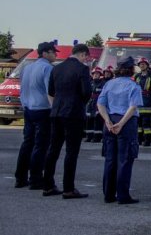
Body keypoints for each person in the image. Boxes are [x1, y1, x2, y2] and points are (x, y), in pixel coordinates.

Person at [42, 43, 92, 199]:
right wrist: (80, 103)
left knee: (53, 149)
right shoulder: (82, 69)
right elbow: (86, 92)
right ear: (83, 54)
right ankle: (68, 188)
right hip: (73, 113)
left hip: (56, 111)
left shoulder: (56, 68)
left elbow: (51, 91)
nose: (86, 60)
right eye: (86, 57)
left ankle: (48, 185)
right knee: (71, 151)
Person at [96, 57, 142, 204]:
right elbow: (133, 107)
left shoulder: (109, 84)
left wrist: (108, 121)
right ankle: (122, 195)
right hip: (126, 123)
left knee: (110, 159)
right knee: (125, 159)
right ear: (131, 70)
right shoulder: (133, 86)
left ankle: (108, 194)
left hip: (110, 121)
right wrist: (121, 123)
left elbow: (100, 104)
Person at [15, 42, 56, 190]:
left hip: (28, 109)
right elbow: (50, 91)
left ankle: (20, 178)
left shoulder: (27, 68)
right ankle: (35, 178)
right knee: (41, 145)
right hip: (42, 110)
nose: (55, 55)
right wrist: (55, 109)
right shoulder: (48, 68)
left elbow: (22, 89)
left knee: (27, 143)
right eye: (53, 52)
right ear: (45, 53)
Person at [134, 57, 151, 146]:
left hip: (147, 102)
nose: (142, 65)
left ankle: (147, 140)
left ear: (147, 65)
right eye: (140, 64)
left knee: (146, 124)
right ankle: (138, 139)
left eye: (143, 64)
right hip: (138, 102)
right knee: (138, 124)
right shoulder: (136, 76)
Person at [85, 67, 106, 143]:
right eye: (94, 74)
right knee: (89, 120)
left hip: (98, 103)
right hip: (90, 103)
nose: (95, 75)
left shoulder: (103, 83)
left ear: (100, 75)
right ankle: (89, 136)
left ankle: (97, 137)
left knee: (97, 121)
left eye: (97, 74)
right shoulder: (90, 82)